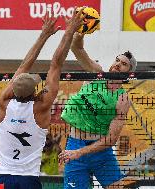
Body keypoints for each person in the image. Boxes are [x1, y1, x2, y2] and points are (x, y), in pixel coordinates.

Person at [0, 9, 86, 189]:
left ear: (13, 90)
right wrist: (70, 31)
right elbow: (56, 64)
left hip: (4, 179)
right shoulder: (41, 107)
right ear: (35, 93)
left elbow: (23, 65)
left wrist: (43, 35)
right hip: (28, 180)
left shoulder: (4, 102)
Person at [58, 32, 137, 189]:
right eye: (117, 60)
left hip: (101, 153)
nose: (117, 64)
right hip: (75, 144)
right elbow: (77, 49)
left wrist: (80, 152)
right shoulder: (96, 73)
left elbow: (111, 140)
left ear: (129, 73)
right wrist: (80, 33)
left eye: (123, 64)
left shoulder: (123, 99)